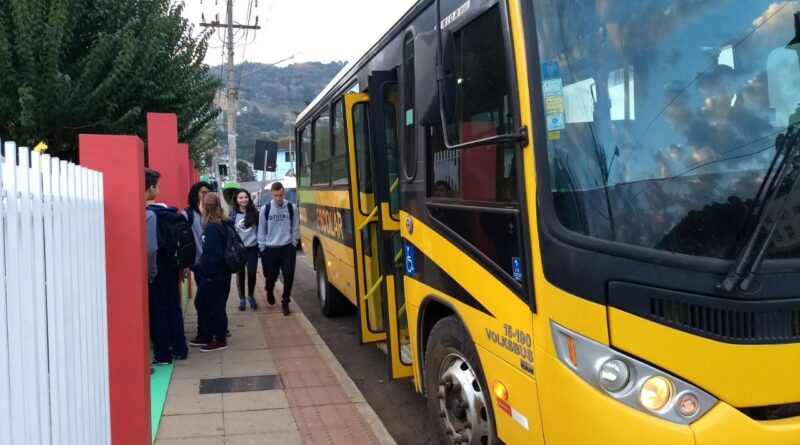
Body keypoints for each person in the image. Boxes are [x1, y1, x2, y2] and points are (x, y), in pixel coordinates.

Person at [144, 168, 189, 364]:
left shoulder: (148, 215)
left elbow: (151, 249)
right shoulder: (167, 212)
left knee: (158, 312)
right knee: (173, 307)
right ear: (152, 188)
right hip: (172, 267)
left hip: (158, 270)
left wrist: (151, 273)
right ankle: (180, 348)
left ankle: (163, 354)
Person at [195, 193, 232, 352]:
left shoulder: (212, 227)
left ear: (204, 207)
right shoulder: (222, 223)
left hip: (213, 275)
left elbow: (213, 254)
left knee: (215, 307)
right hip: (219, 273)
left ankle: (219, 339)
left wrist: (206, 271)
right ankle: (207, 334)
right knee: (201, 303)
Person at [258, 181, 300, 316]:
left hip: (287, 248)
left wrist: (294, 242)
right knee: (270, 277)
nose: (278, 198)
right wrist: (262, 248)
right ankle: (269, 290)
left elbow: (295, 227)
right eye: (275, 195)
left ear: (284, 193)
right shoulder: (266, 209)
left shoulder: (291, 208)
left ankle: (285, 301)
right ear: (271, 194)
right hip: (270, 249)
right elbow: (261, 230)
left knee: (289, 276)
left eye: (280, 195)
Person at [231, 189, 260, 311]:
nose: (243, 200)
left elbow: (260, 230)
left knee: (252, 273)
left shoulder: (254, 213)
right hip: (239, 250)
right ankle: (242, 298)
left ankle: (251, 296)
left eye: (245, 197)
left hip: (252, 248)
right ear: (237, 200)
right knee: (240, 274)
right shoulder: (233, 214)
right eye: (240, 198)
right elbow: (231, 233)